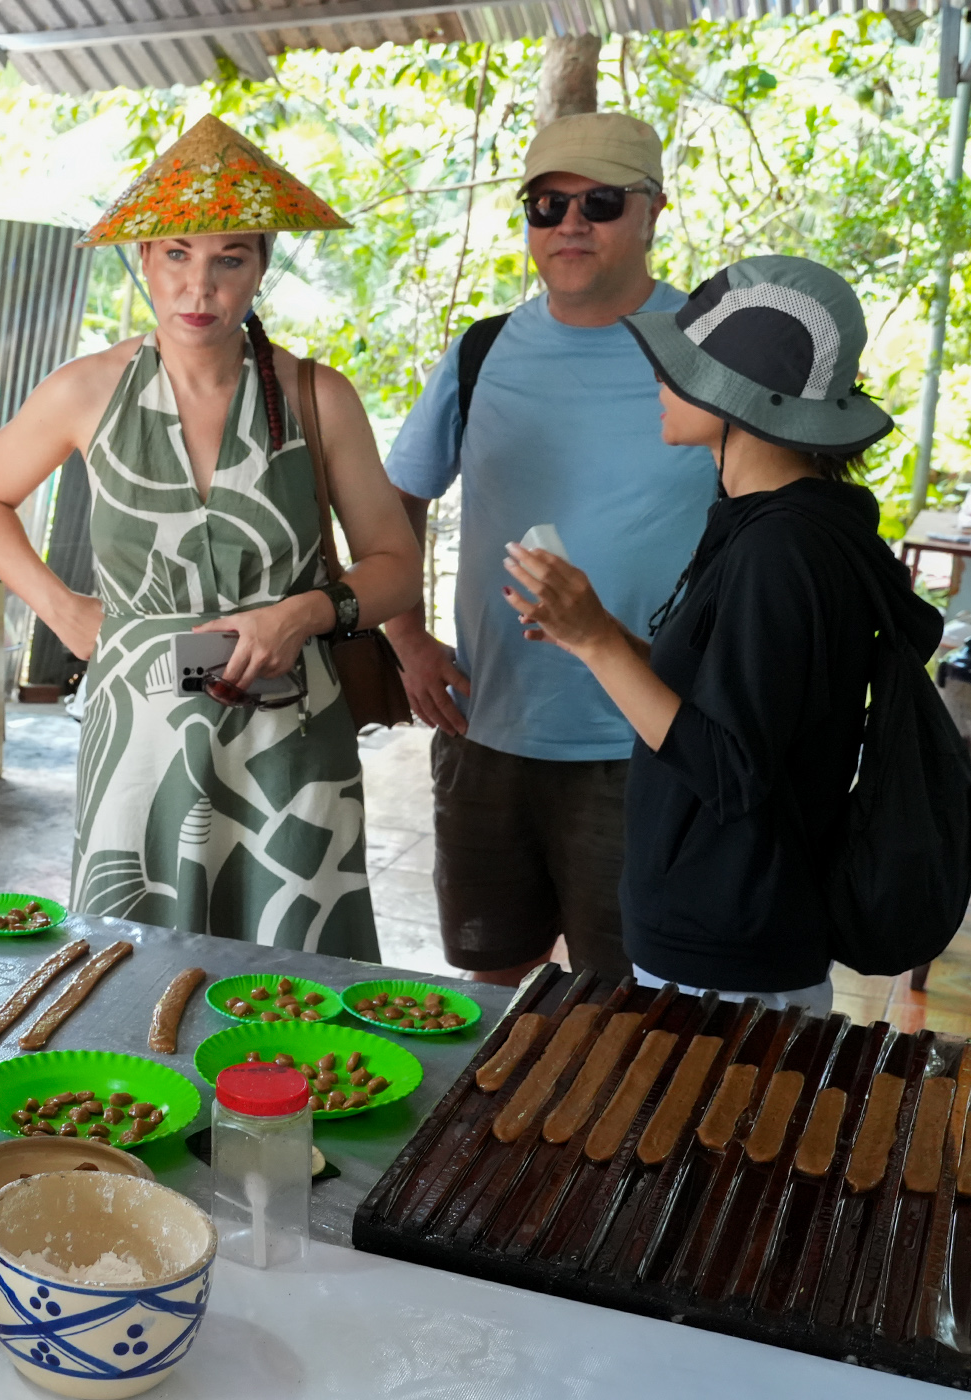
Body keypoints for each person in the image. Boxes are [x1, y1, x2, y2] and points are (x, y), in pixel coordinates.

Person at [0, 116, 420, 951]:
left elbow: (396, 568)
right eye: (176, 255)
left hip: (289, 731)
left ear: (260, 268)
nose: (198, 288)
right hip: (140, 729)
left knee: (294, 975)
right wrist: (63, 613)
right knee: (130, 970)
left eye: (228, 259)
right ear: (144, 261)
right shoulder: (84, 391)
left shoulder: (319, 397)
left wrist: (302, 614)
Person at [502, 254, 930, 1011]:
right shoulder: (765, 523)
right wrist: (589, 635)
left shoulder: (783, 551)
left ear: (736, 400)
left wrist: (601, 639)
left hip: (734, 945)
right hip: (721, 926)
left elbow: (731, 767)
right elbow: (722, 703)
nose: (660, 385)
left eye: (680, 369)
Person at [381, 113, 715, 985]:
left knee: (633, 1006)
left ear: (653, 211)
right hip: (490, 726)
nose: (570, 224)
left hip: (645, 739)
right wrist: (407, 639)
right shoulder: (483, 349)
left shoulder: (712, 354)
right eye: (546, 203)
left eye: (600, 202)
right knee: (492, 987)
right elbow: (396, 501)